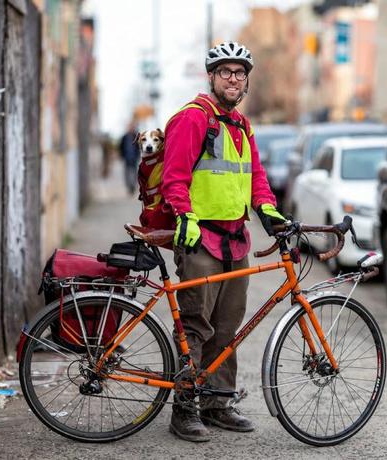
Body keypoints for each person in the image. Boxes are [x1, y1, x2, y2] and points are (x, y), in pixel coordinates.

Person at [162, 41, 287, 443]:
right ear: (211, 77)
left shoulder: (241, 125)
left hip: (236, 242)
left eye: (240, 73)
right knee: (195, 327)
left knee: (227, 329)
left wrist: (269, 211)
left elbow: (256, 177)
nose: (233, 78)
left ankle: (216, 404)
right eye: (225, 72)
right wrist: (185, 215)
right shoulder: (194, 118)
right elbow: (174, 177)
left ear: (246, 80)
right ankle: (184, 410)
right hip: (201, 242)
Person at [119, 119, 140, 194]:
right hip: (126, 157)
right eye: (130, 126)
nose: (131, 128)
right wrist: (122, 155)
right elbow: (121, 147)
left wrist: (138, 155)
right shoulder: (124, 137)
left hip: (134, 158)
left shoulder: (136, 136)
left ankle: (133, 186)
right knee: (127, 173)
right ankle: (128, 186)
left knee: (134, 173)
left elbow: (139, 147)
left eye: (132, 126)